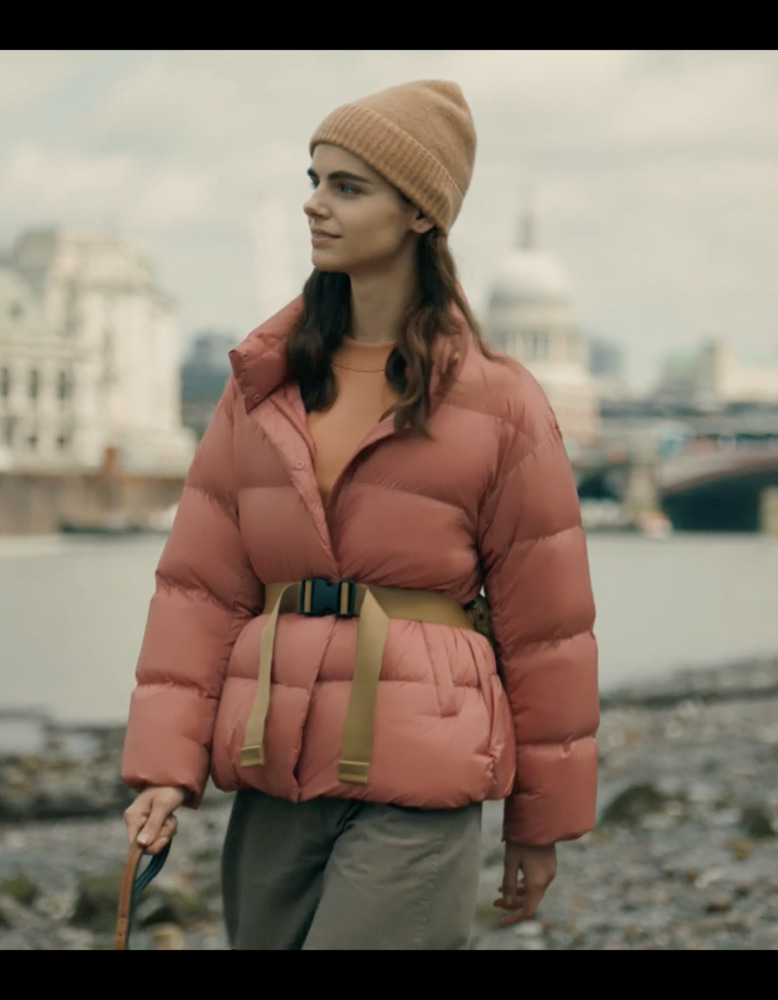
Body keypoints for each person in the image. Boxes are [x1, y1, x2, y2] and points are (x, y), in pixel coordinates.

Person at [119, 79, 599, 950]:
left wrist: (541, 817)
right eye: (314, 178)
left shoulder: (502, 403)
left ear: (420, 213)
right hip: (272, 770)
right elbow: (199, 589)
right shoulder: (263, 385)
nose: (314, 204)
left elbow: (547, 631)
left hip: (419, 779)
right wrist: (164, 767)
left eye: (347, 186)